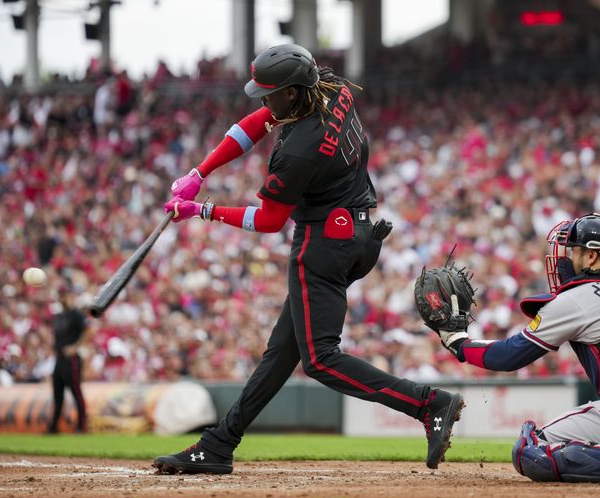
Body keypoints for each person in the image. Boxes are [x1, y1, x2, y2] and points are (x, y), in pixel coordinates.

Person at [152, 43, 464, 475]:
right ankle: (219, 443)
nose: (264, 100)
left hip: (321, 244)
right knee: (282, 352)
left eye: (272, 92)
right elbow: (259, 122)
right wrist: (200, 172)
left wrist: (203, 209)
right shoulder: (331, 87)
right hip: (356, 233)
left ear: (295, 92)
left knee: (319, 359)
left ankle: (428, 403)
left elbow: (268, 220)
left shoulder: (299, 149)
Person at [434, 212, 600, 483]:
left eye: (574, 250)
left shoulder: (581, 296)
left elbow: (509, 355)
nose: (566, 257)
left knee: (532, 450)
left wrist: (458, 342)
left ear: (592, 256)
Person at [47, 286, 89, 434]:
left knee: (76, 392)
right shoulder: (59, 316)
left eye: (64, 294)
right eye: (60, 295)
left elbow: (89, 330)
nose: (62, 298)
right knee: (57, 394)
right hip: (59, 359)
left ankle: (82, 426)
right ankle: (54, 427)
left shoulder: (76, 314)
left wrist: (75, 347)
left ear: (70, 296)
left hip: (71, 359)